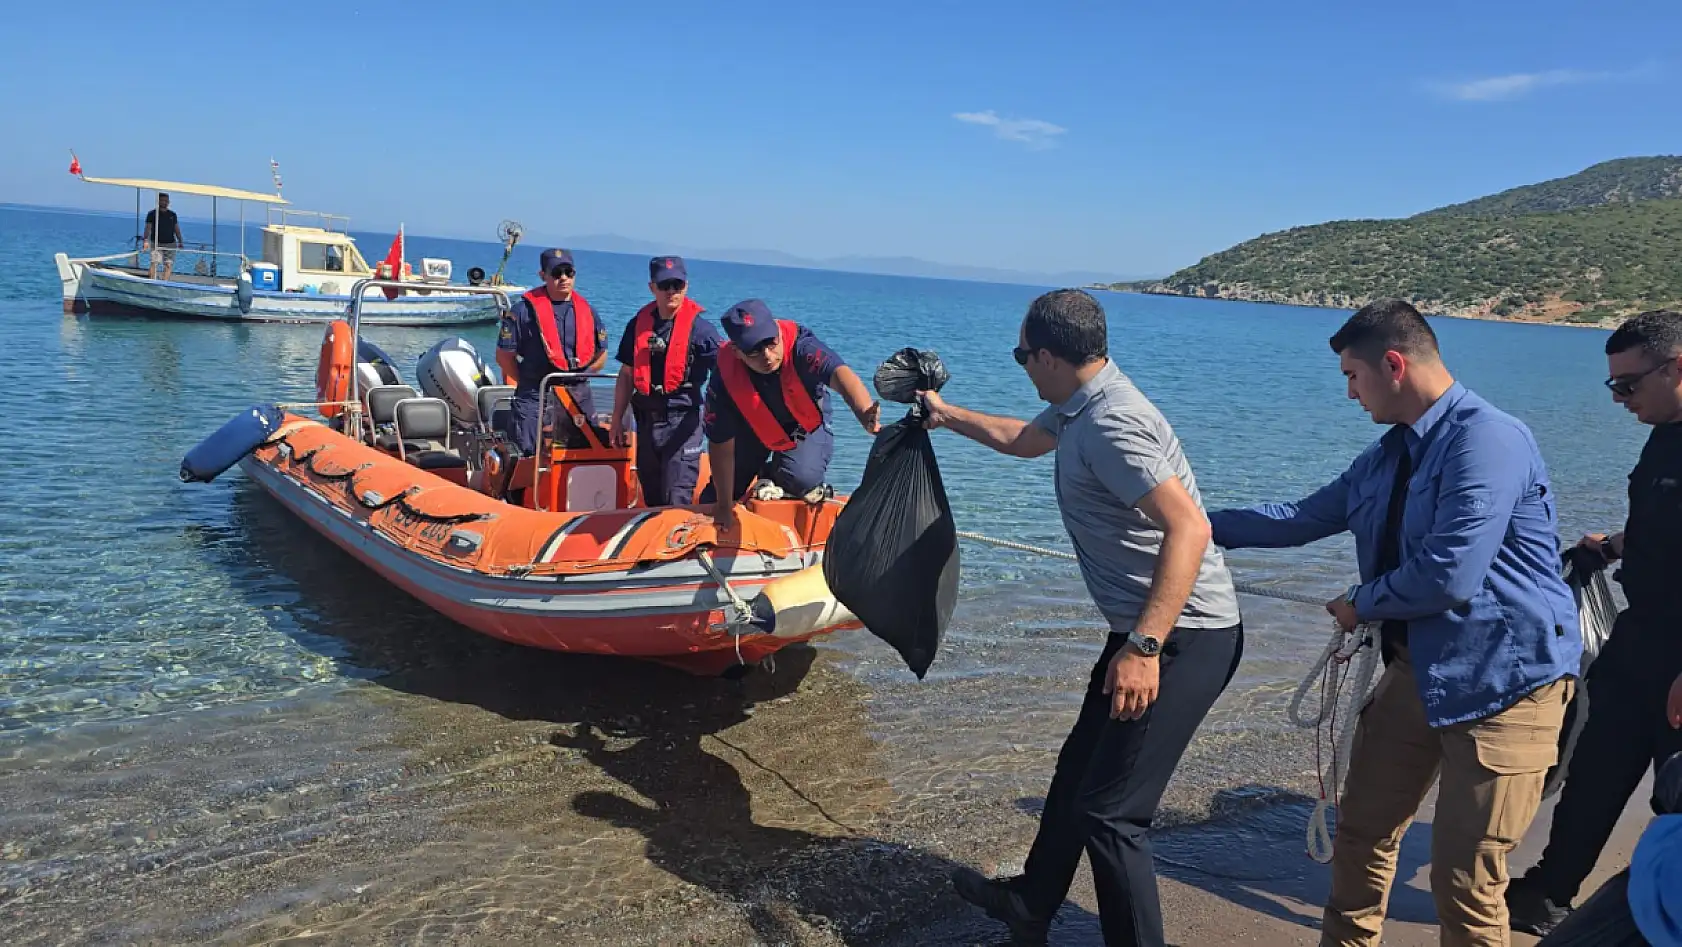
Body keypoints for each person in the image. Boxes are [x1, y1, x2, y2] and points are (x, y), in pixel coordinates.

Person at [1207, 298, 1581, 947]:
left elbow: (1448, 573)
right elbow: (1297, 517)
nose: (1349, 392)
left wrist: (1363, 600)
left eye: (1353, 376)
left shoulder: (1487, 438)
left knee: (1465, 882)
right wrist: (1189, 524)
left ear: (1394, 363)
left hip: (1507, 687)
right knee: (1361, 833)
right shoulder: (1386, 457)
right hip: (1419, 674)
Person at [920, 288, 1244, 947]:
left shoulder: (1111, 423)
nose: (1022, 365)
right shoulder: (1078, 405)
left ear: (1047, 354)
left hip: (1184, 635)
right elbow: (1023, 438)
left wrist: (1147, 646)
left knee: (1112, 814)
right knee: (1076, 777)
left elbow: (1190, 528)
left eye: (1021, 355)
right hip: (1147, 629)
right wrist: (945, 415)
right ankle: (1030, 903)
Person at [1507, 310, 1682, 936]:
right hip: (1639, 638)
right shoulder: (1665, 433)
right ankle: (1548, 892)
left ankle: (1654, 915)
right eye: (1612, 387)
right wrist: (1609, 547)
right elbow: (1665, 525)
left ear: (1678, 368)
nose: (1619, 401)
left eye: (1628, 386)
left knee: (1675, 798)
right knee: (1594, 769)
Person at [699, 299, 880, 524]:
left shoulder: (802, 346)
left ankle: (774, 474)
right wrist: (724, 506)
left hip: (804, 425)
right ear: (736, 351)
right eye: (754, 350)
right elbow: (719, 441)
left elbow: (839, 374)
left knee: (802, 479)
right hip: (753, 429)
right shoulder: (724, 376)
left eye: (770, 343)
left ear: (776, 330)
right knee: (712, 499)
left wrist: (864, 412)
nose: (767, 355)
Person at [607, 256, 721, 507]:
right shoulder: (638, 325)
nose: (671, 291)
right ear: (652, 288)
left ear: (686, 287)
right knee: (652, 497)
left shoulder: (702, 332)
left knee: (675, 497)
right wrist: (617, 419)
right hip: (646, 422)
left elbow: (725, 373)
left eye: (677, 285)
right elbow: (627, 373)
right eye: (665, 285)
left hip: (682, 423)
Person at [494, 248, 609, 454]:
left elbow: (601, 355)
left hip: (578, 395)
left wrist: (582, 376)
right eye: (557, 273)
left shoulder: (588, 312)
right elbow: (504, 357)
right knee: (529, 456)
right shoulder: (522, 312)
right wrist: (527, 381)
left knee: (584, 455)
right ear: (543, 275)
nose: (563, 278)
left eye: (568, 272)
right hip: (535, 395)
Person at [143, 193, 183, 281]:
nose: (164, 202)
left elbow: (176, 228)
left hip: (170, 243)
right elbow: (147, 228)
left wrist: (180, 240)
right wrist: (145, 241)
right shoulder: (152, 214)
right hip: (156, 242)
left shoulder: (172, 215)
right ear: (158, 201)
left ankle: (164, 283)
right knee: (155, 263)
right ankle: (152, 282)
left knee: (168, 264)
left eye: (166, 201)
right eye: (162, 200)